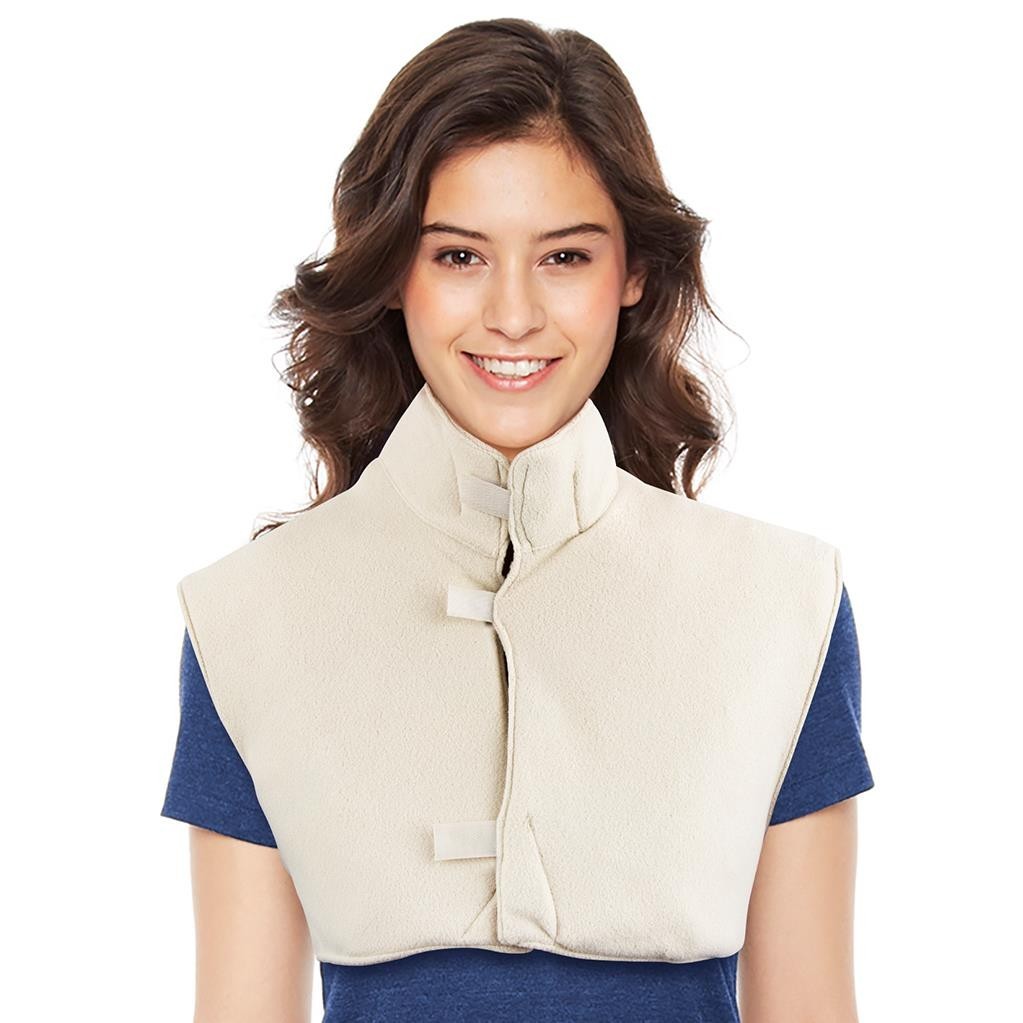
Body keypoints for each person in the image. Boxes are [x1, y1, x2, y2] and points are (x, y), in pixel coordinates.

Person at [160, 17, 875, 1023]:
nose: (512, 314)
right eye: (459, 255)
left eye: (564, 256)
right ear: (394, 271)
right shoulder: (249, 620)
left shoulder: (781, 606)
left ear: (633, 272)